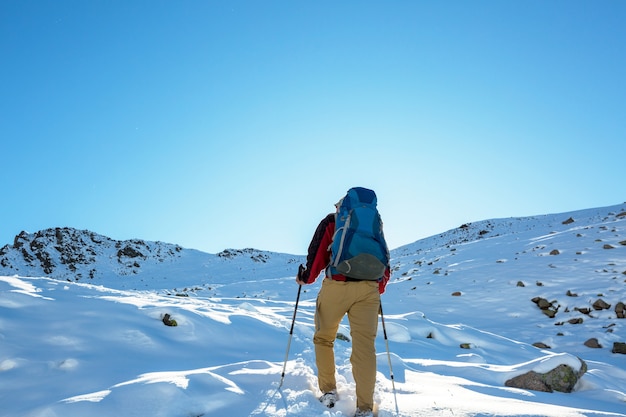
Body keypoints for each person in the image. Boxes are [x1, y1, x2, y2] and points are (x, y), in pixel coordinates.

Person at [296, 188, 390, 417]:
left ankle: (328, 391)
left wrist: (305, 277)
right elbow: (383, 257)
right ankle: (365, 408)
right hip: (368, 290)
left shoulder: (333, 221)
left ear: (341, 205)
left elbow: (317, 254)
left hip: (337, 287)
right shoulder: (374, 223)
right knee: (365, 349)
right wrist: (377, 288)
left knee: (324, 338)